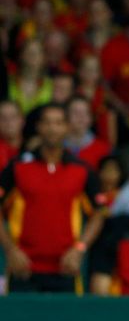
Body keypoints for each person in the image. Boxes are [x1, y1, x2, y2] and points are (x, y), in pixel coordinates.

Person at [0, 103, 105, 293]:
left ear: (67, 127)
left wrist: (79, 248)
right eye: (47, 123)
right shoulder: (17, 167)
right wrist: (10, 250)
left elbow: (99, 214)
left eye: (58, 123)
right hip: (23, 268)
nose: (52, 128)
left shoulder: (82, 170)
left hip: (66, 269)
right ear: (38, 127)